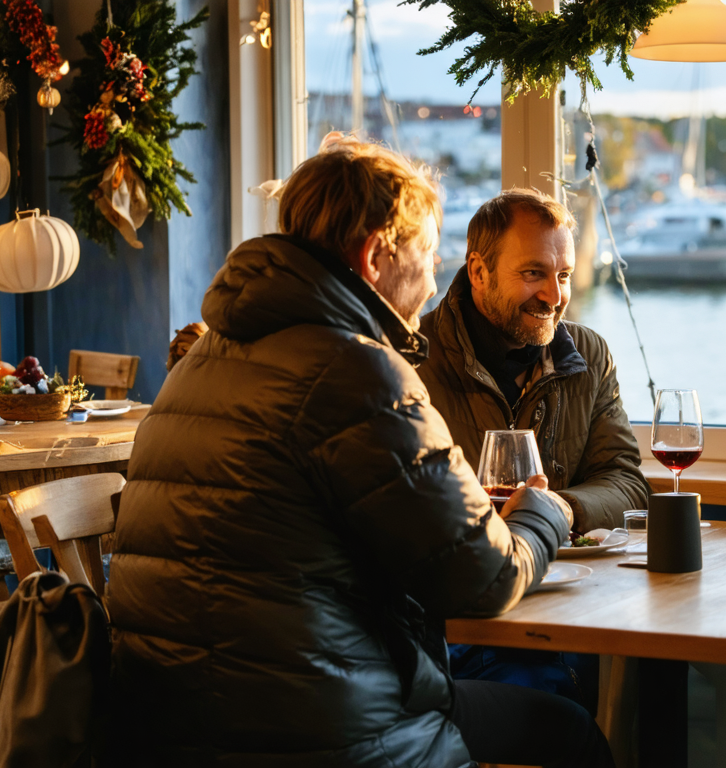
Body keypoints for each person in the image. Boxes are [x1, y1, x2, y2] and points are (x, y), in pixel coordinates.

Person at [107, 134, 614, 768]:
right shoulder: (357, 371)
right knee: (570, 730)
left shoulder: (204, 359)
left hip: (170, 723)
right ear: (376, 256)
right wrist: (547, 512)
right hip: (318, 727)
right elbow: (482, 579)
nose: (433, 284)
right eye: (428, 255)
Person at [417, 189, 649, 707]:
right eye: (533, 274)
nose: (554, 295)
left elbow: (628, 483)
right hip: (458, 624)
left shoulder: (589, 353)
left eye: (563, 275)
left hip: (568, 605)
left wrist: (561, 508)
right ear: (478, 272)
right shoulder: (412, 358)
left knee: (649, 688)